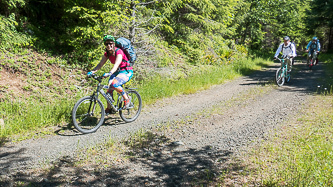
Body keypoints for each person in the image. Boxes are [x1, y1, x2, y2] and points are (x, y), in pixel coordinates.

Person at [87, 35, 134, 114]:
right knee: (109, 89)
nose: (109, 45)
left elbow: (116, 64)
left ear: (114, 44)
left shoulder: (119, 51)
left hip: (126, 71)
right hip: (117, 72)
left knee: (114, 84)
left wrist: (110, 73)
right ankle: (109, 109)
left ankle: (127, 99)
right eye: (106, 44)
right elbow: (100, 65)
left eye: (110, 43)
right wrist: (92, 72)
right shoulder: (107, 54)